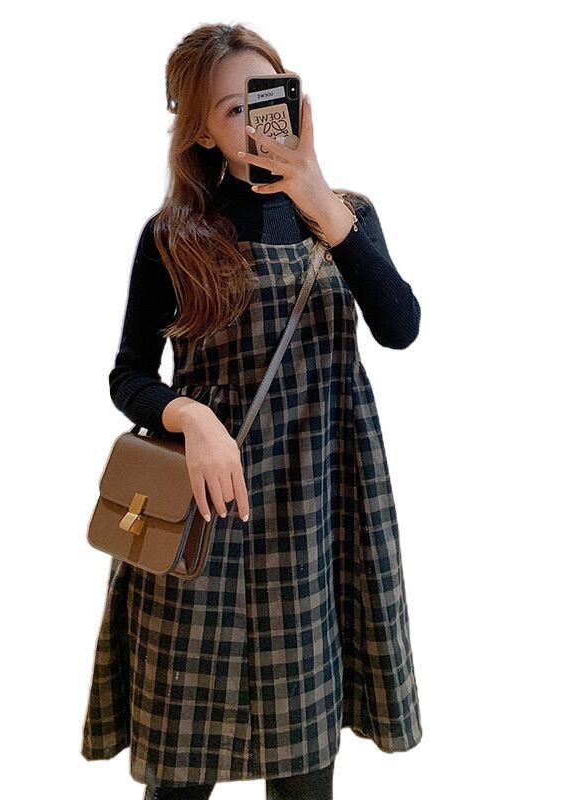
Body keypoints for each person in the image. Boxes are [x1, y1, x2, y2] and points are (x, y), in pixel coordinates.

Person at [81, 23, 423, 799]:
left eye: (269, 96)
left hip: (318, 514)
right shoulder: (174, 237)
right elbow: (129, 375)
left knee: (305, 773)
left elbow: (400, 326)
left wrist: (318, 199)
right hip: (209, 509)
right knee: (181, 769)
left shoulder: (346, 215)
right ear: (202, 131)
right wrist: (190, 418)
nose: (257, 120)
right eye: (233, 108)